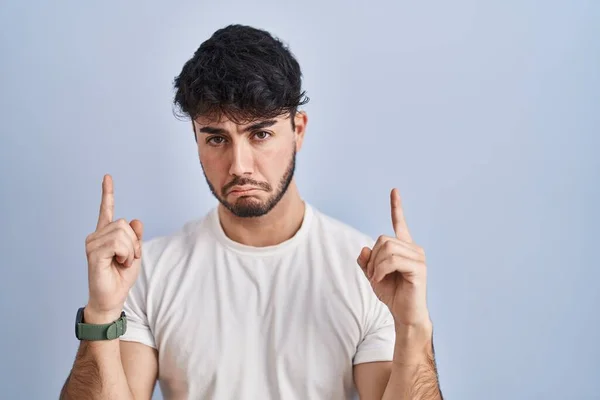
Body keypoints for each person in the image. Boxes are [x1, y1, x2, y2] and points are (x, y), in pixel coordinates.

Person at [60, 24, 443, 400]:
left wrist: (412, 328)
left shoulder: (368, 274)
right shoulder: (151, 271)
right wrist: (102, 314)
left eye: (260, 134)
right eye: (216, 138)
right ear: (196, 139)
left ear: (298, 130)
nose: (239, 165)